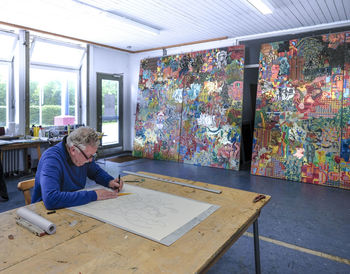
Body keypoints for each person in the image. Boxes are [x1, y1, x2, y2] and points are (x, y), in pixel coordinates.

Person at [32, 127, 123, 209]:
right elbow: (51, 199)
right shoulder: (52, 159)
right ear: (73, 150)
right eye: (89, 156)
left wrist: (110, 181)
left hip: (72, 206)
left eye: (93, 156)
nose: (91, 160)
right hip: (44, 213)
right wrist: (93, 195)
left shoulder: (83, 155)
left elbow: (96, 172)